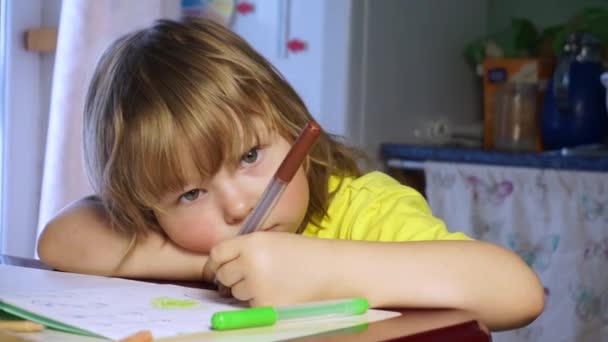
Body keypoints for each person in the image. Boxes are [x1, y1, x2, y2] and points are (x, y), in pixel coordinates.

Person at [37, 18, 544, 331]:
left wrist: (317, 270)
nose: (236, 205)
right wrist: (216, 265)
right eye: (191, 192)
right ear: (147, 207)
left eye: (250, 156)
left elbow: (517, 293)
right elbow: (59, 240)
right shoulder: (188, 242)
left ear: (291, 124)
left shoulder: (365, 208)